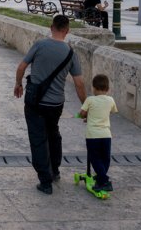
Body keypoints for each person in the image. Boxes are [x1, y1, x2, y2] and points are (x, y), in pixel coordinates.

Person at [13, 15, 86, 195]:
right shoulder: (70, 52)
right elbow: (79, 83)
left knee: (38, 138)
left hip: (35, 101)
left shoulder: (40, 45)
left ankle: (45, 181)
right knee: (53, 133)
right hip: (56, 104)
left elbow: (22, 67)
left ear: (51, 27)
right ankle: (55, 170)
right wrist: (86, 107)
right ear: (67, 31)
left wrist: (18, 84)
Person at [79, 74, 118, 192]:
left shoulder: (90, 100)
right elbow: (111, 111)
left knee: (94, 157)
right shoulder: (111, 100)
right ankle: (101, 177)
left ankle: (104, 180)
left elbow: (82, 114)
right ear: (108, 89)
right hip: (106, 135)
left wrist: (87, 116)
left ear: (94, 88)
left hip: (92, 135)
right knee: (105, 158)